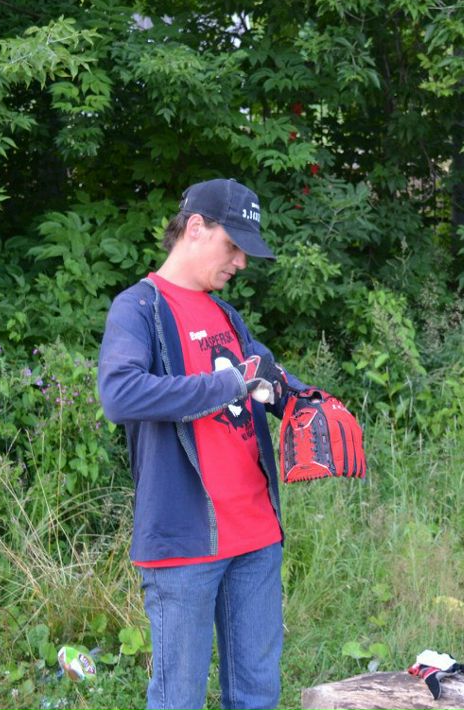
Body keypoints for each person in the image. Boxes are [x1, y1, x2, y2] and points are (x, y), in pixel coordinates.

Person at [98, 178, 308, 710]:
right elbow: (120, 394)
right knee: (178, 699)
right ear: (196, 227)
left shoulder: (226, 316)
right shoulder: (139, 308)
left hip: (257, 536)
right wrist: (226, 385)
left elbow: (268, 373)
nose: (239, 262)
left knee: (257, 694)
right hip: (184, 540)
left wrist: (310, 403)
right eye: (232, 245)